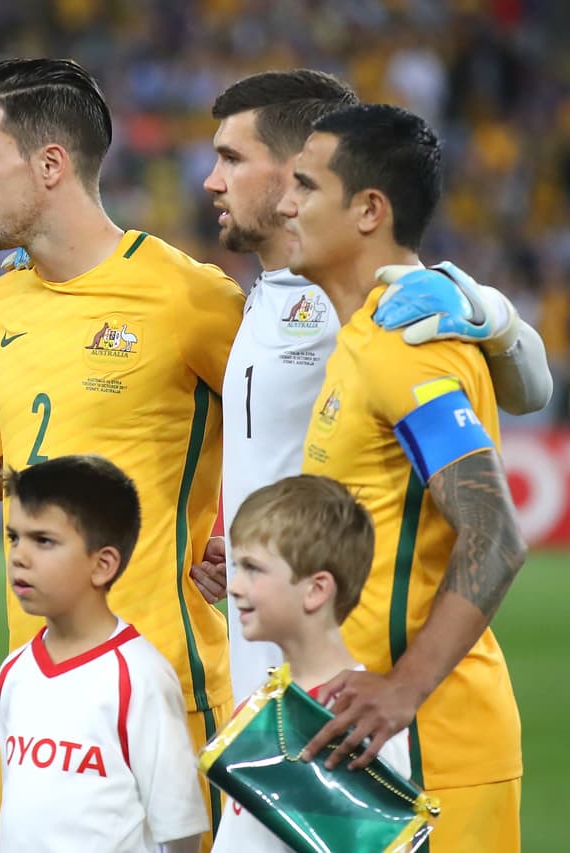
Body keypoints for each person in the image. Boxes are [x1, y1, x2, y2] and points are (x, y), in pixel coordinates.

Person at [0, 57, 241, 841]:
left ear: (50, 165)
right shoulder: (3, 299)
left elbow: (306, 428)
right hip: (40, 701)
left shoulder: (188, 298)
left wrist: (247, 536)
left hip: (165, 690)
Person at [197, 69, 553, 703]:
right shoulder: (259, 295)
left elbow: (527, 394)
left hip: (353, 678)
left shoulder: (381, 307)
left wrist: (491, 313)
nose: (211, 180)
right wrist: (250, 546)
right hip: (267, 671)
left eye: (230, 157)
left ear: (297, 171)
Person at [278, 103, 524, 849]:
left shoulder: (402, 347)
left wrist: (402, 689)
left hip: (432, 748)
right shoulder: (363, 339)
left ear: (369, 210)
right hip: (368, 740)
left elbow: (495, 531)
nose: (284, 204)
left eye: (305, 186)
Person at [0, 455, 206, 853]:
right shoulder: (14, 671)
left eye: (43, 541)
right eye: (14, 537)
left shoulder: (139, 677)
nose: (19, 556)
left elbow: (179, 830)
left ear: (103, 564)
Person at [213, 474, 411, 851]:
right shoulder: (266, 701)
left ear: (316, 589)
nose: (234, 587)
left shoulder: (355, 721)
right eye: (237, 567)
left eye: (253, 569)